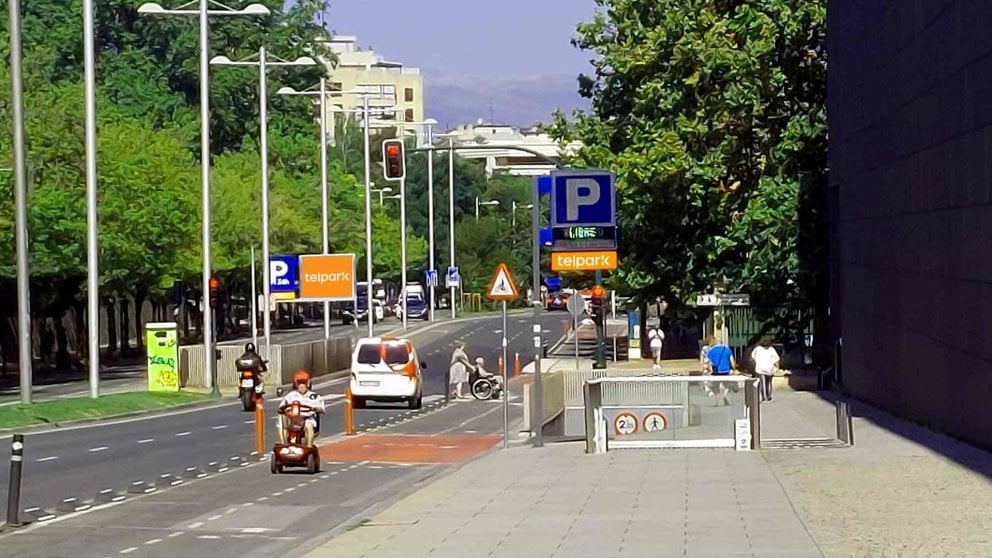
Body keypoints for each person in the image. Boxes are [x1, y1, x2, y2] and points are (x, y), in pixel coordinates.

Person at [277, 370, 325, 447]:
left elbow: (321, 408)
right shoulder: (290, 396)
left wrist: (316, 409)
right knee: (281, 417)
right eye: (299, 383)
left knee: (308, 425)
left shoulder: (314, 396)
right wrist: (283, 410)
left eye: (304, 383)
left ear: (308, 383)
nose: (302, 386)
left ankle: (308, 447)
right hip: (293, 419)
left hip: (307, 419)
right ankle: (284, 443)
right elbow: (282, 407)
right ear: (295, 384)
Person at [706, 337, 737, 406]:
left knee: (716, 387)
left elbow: (708, 362)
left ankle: (718, 402)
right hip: (726, 370)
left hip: (716, 371)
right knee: (727, 385)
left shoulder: (711, 350)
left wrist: (709, 369)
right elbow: (732, 362)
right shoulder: (727, 349)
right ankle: (725, 395)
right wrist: (734, 368)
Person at [751, 337, 780, 402]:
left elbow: (752, 357)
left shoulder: (757, 349)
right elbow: (776, 359)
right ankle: (769, 396)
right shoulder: (771, 349)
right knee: (769, 382)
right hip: (769, 368)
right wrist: (777, 367)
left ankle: (763, 397)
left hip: (760, 368)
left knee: (762, 383)